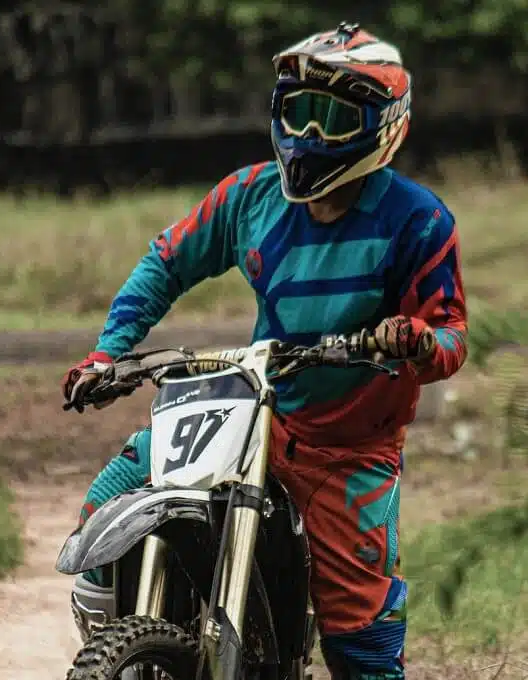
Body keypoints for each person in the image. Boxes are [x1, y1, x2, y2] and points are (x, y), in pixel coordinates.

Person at [61, 22, 468, 680]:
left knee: (358, 632)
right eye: (297, 112)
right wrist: (109, 355)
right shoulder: (250, 197)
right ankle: (128, 648)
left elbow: (451, 335)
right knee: (107, 502)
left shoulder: (417, 221)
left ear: (382, 125)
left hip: (348, 449)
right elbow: (166, 262)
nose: (309, 136)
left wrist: (415, 340)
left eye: (331, 119)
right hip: (251, 408)